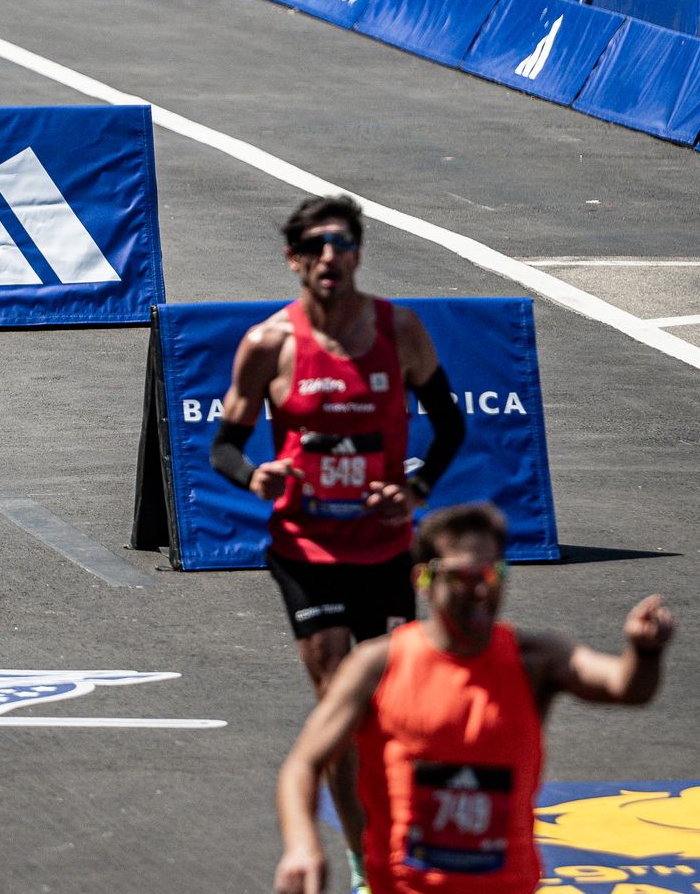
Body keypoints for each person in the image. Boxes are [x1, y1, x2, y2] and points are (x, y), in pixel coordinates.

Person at [211, 194, 468, 888]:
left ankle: (395, 829)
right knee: (338, 703)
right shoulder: (270, 344)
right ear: (295, 259)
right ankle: (365, 862)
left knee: (386, 710)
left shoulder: (399, 330)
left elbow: (449, 425)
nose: (332, 256)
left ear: (357, 253)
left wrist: (415, 489)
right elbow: (224, 449)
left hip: (386, 550)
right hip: (306, 551)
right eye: (317, 245)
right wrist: (254, 475)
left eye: (344, 242)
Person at [273, 503, 676, 894]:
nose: (480, 589)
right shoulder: (377, 665)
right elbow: (303, 765)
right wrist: (303, 845)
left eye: (491, 572)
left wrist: (644, 651)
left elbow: (627, 688)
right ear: (423, 580)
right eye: (462, 576)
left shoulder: (534, 659)